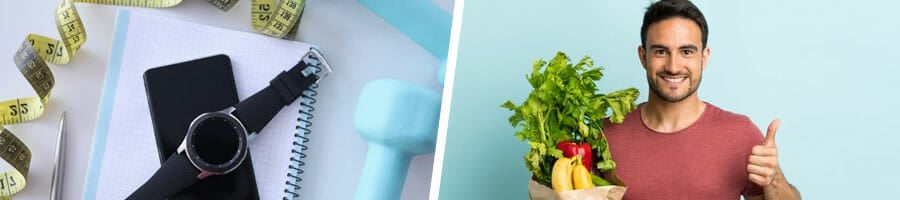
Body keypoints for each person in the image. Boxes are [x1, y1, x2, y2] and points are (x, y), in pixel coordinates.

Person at [603, 0, 802, 199]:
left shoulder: (740, 134)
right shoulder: (605, 136)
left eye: (686, 52)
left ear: (704, 58)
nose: (673, 66)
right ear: (643, 56)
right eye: (661, 52)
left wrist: (774, 178)